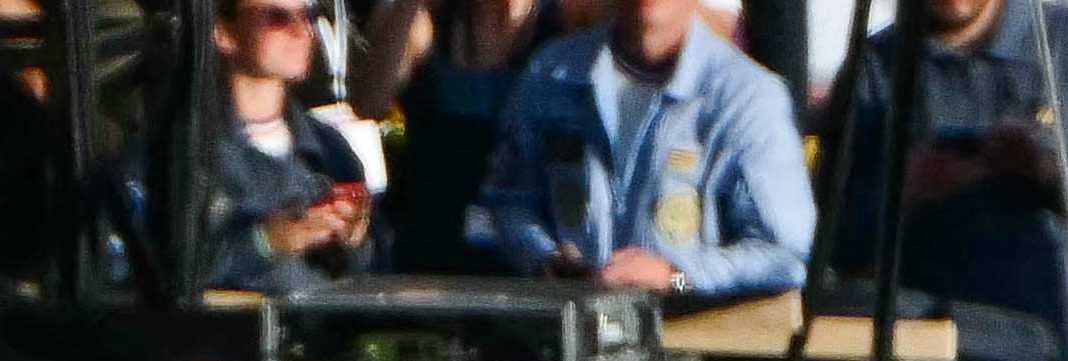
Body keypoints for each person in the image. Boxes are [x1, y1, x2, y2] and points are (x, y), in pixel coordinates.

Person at [827, 0, 1068, 361]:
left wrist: (1050, 171)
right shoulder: (875, 66)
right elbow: (833, 246)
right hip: (924, 355)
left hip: (1056, 352)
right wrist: (904, 191)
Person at [476, 0, 814, 298]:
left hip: (691, 351)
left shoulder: (748, 98)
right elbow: (507, 202)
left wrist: (675, 278)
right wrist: (542, 258)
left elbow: (787, 256)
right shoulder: (552, 75)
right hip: (570, 343)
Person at [351, 0, 598, 275]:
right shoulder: (427, 22)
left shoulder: (565, 25)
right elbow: (366, 105)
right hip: (430, 256)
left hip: (528, 261)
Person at [205, 0, 373, 295]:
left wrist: (353, 241)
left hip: (319, 332)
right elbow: (165, 268)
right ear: (224, 32)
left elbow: (370, 271)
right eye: (277, 17)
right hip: (227, 336)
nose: (301, 31)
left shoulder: (331, 150)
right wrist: (266, 242)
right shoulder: (188, 150)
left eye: (308, 16)